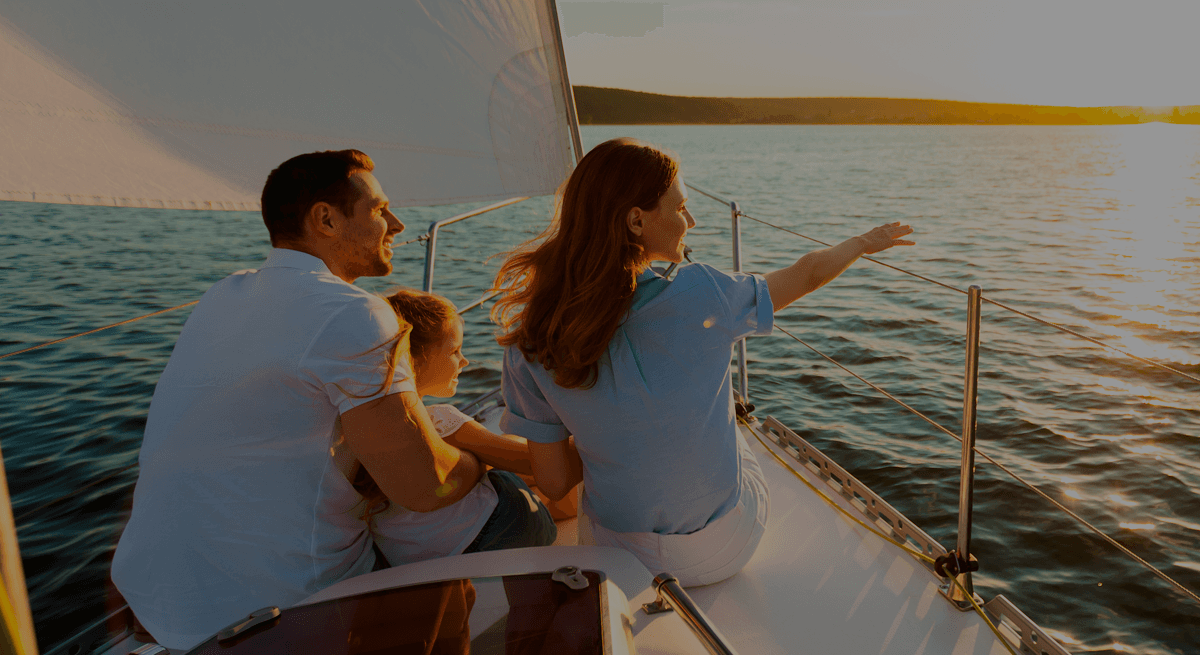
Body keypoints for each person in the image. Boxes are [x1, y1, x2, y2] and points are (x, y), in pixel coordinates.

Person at [111, 150, 519, 649]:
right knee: (506, 515)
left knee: (441, 579)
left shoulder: (223, 294)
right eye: (379, 210)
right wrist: (480, 462)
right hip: (280, 607)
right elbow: (423, 485)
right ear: (325, 218)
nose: (397, 223)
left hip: (161, 597)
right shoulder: (353, 314)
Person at [493, 137, 914, 585]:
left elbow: (554, 484)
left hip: (618, 556)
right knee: (735, 426)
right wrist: (863, 242)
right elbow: (807, 273)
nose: (690, 221)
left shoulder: (530, 340)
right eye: (680, 208)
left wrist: (611, 440)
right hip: (721, 548)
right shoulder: (704, 293)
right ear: (636, 220)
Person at [356, 289, 557, 567]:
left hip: (411, 561)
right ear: (415, 360)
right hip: (497, 535)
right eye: (454, 351)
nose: (464, 361)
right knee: (518, 473)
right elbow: (535, 462)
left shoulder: (359, 428)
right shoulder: (438, 421)